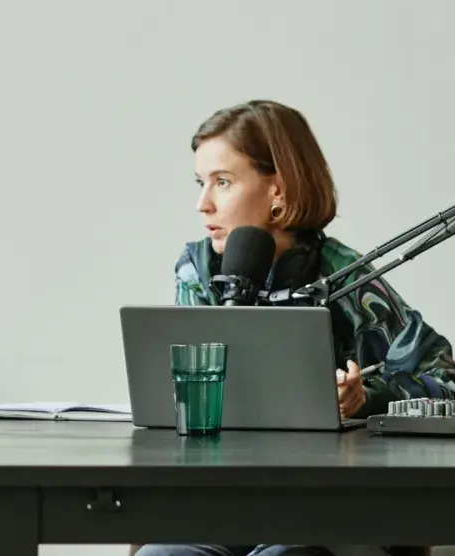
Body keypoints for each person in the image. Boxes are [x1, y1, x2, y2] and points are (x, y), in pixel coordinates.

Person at [138, 100, 455, 556]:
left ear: (278, 191)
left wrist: (368, 397)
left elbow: (447, 382)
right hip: (224, 505)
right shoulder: (199, 270)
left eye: (222, 182)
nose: (201, 203)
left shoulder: (345, 277)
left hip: (331, 509)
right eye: (200, 182)